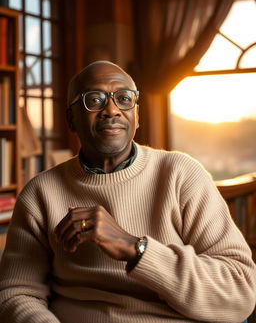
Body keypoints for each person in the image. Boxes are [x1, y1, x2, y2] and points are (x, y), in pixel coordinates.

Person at [0, 60, 255, 323]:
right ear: (71, 120)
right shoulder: (40, 193)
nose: (111, 110)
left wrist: (135, 248)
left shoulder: (182, 175)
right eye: (94, 99)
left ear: (137, 115)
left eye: (123, 98)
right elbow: (16, 294)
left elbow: (240, 291)